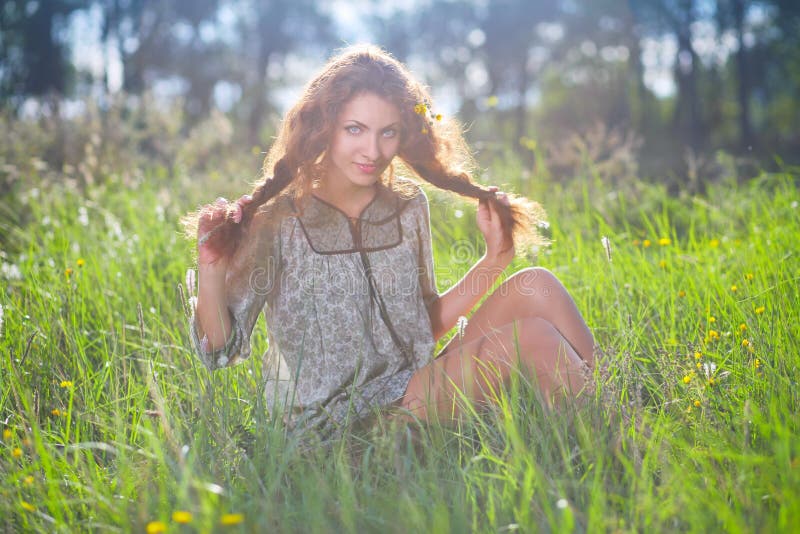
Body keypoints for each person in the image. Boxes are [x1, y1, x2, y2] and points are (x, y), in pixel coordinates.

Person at [183, 45, 595, 436]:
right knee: (535, 340)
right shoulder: (278, 221)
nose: (372, 150)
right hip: (337, 423)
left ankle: (605, 417)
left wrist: (495, 259)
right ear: (324, 128)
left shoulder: (408, 205)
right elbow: (221, 350)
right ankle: (619, 451)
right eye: (355, 129)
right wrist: (211, 269)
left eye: (388, 132)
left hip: (410, 387)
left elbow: (423, 326)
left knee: (538, 285)